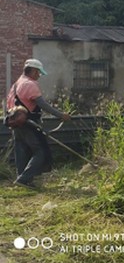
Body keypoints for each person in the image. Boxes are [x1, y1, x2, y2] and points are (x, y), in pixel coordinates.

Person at [5, 59, 71, 189]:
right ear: (33, 71)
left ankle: (22, 180)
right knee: (41, 151)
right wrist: (61, 115)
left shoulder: (16, 84)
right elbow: (42, 104)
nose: (39, 76)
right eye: (39, 73)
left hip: (16, 124)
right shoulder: (30, 84)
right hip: (29, 124)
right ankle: (24, 179)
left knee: (21, 150)